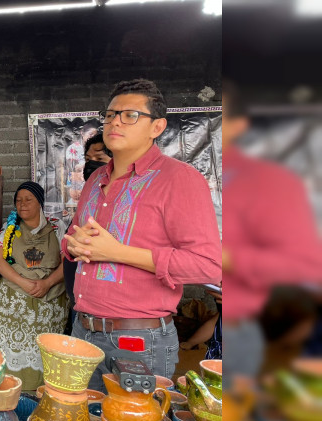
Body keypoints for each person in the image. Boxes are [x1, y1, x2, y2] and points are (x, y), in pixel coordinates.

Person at [63, 79, 221, 390]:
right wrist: (74, 246)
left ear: (157, 127)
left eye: (130, 115)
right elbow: (73, 239)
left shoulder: (179, 179)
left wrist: (117, 253)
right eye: (110, 115)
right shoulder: (95, 180)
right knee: (83, 416)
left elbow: (208, 265)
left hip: (138, 339)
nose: (115, 122)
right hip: (82, 330)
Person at [220, 81, 322, 385]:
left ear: (238, 125)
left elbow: (307, 266)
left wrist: (231, 259)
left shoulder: (269, 181)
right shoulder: (201, 180)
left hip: (242, 330)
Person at [0, 182, 66, 390]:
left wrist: (47, 283)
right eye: (18, 200)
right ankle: (11, 391)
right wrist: (23, 282)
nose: (22, 204)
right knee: (13, 351)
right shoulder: (9, 228)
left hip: (48, 299)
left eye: (28, 199)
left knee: (44, 351)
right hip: (15, 299)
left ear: (40, 202)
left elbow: (67, 262)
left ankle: (40, 393)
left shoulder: (57, 226)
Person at [64, 134, 112, 336]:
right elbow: (70, 241)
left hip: (107, 310)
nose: (91, 165)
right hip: (80, 301)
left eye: (99, 159)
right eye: (88, 160)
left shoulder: (119, 204)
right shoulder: (88, 195)